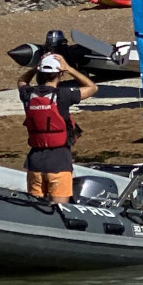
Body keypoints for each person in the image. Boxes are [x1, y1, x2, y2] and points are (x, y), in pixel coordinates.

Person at [19, 53, 97, 201]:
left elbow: (22, 80)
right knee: (61, 212)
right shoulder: (63, 95)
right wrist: (70, 69)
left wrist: (35, 68)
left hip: (35, 163)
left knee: (36, 209)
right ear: (59, 74)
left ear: (40, 73)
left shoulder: (28, 94)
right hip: (59, 162)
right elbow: (92, 87)